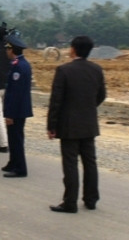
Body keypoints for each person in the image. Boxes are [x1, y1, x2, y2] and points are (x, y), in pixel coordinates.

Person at [47, 36, 106, 213]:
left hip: (69, 125)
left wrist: (51, 125)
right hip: (88, 123)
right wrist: (88, 108)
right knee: (90, 162)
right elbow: (102, 95)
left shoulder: (64, 70)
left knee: (70, 163)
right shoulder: (96, 69)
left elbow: (56, 101)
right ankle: (91, 199)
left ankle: (70, 201)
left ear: (73, 49)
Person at [1, 32, 32, 178]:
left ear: (11, 50)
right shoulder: (21, 64)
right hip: (20, 109)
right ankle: (13, 162)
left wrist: (10, 114)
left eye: (7, 49)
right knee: (13, 137)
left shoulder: (18, 67)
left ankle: (20, 168)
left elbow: (15, 94)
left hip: (17, 110)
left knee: (16, 139)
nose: (6, 52)